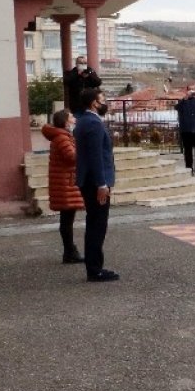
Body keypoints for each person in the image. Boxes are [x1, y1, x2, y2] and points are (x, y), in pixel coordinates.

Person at [74, 88, 118, 282]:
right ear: (94, 103)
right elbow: (95, 157)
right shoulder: (93, 123)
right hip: (95, 182)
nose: (105, 102)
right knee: (97, 226)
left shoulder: (84, 120)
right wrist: (102, 183)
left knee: (95, 224)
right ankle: (95, 269)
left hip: (90, 181)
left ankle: (95, 266)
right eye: (102, 99)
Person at [42, 109, 84, 264]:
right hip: (65, 184)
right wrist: (84, 147)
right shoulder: (62, 138)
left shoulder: (61, 136)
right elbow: (71, 157)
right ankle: (70, 252)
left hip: (64, 182)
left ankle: (70, 251)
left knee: (66, 219)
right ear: (65, 121)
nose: (74, 119)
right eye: (72, 117)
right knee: (67, 220)